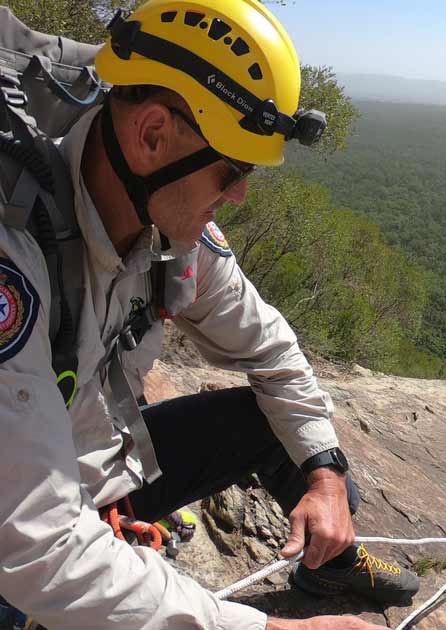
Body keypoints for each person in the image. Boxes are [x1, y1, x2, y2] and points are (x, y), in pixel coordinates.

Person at [0, 2, 414, 628]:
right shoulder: (15, 251)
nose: (241, 191)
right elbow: (35, 544)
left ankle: (329, 559)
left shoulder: (172, 233)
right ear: (152, 135)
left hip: (98, 471)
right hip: (20, 532)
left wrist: (326, 476)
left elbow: (272, 351)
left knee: (281, 428)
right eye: (233, 168)